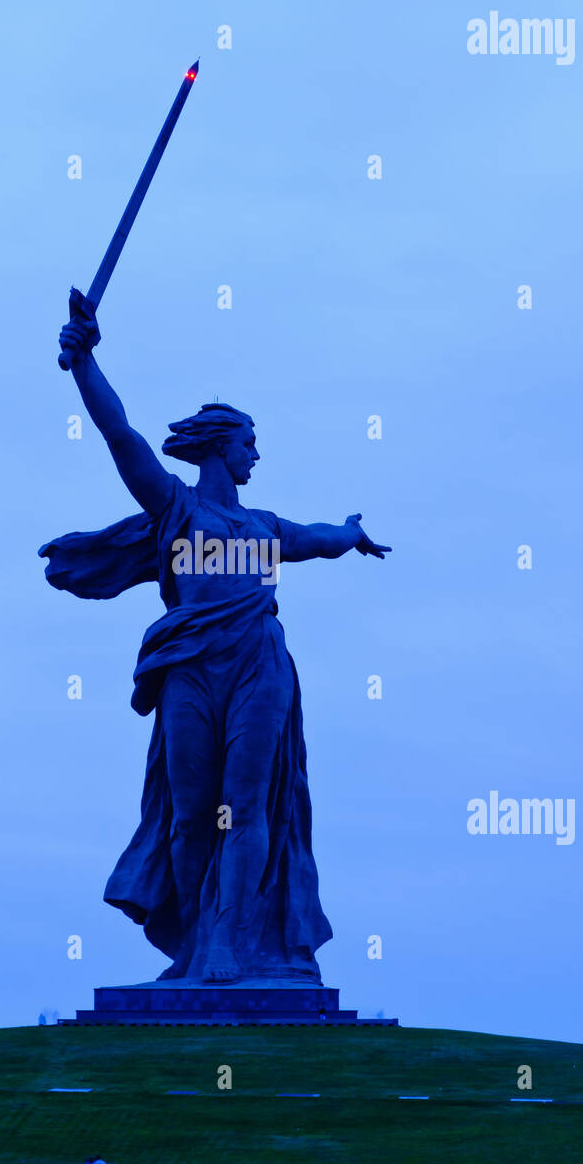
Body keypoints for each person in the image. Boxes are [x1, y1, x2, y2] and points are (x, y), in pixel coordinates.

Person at [41, 295, 390, 985]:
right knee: (193, 811)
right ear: (221, 447)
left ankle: (229, 943)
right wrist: (84, 361)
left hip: (258, 662)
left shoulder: (264, 524)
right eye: (249, 444)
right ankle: (192, 946)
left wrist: (351, 532)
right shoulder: (174, 506)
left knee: (249, 803)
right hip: (189, 668)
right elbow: (121, 437)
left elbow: (320, 540)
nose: (256, 454)